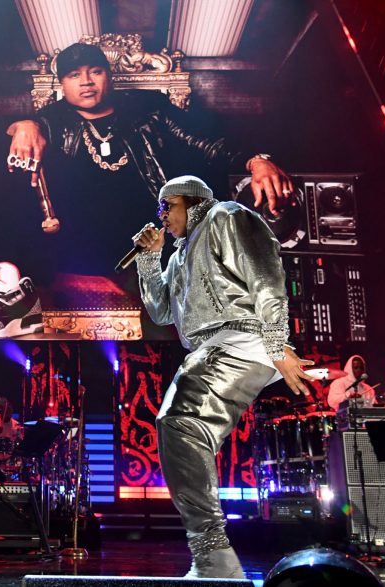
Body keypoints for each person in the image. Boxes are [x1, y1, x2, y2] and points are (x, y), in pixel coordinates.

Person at [132, 175, 313, 578]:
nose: (162, 216)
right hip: (208, 350)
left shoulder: (225, 216)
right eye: (159, 209)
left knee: (180, 422)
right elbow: (162, 312)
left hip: (241, 339)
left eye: (168, 206)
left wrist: (274, 341)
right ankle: (211, 556)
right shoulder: (179, 254)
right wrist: (150, 259)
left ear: (193, 201)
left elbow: (265, 276)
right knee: (179, 429)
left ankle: (214, 557)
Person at [6, 42, 293, 275]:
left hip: (154, 241)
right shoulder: (50, 121)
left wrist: (257, 161)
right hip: (78, 249)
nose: (86, 82)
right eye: (73, 76)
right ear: (62, 84)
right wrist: (24, 125)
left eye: (95, 72)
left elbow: (206, 139)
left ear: (109, 75)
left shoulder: (150, 110)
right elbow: (3, 146)